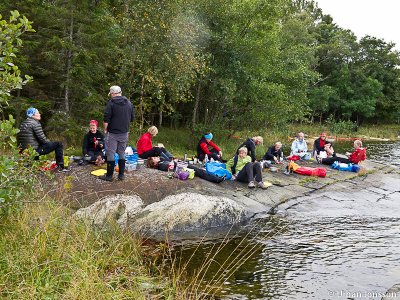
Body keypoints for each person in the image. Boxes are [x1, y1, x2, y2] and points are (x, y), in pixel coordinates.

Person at [17, 107, 69, 172]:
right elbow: (43, 139)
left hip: (23, 152)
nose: (39, 114)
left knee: (38, 148)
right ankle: (60, 166)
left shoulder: (23, 124)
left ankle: (29, 165)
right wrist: (51, 144)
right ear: (33, 115)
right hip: (33, 152)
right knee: (58, 144)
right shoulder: (35, 123)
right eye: (38, 113)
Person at [100, 85, 135, 181]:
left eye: (110, 94)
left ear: (112, 93)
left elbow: (106, 119)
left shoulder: (111, 103)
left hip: (113, 134)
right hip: (124, 133)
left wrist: (105, 130)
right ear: (120, 93)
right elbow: (132, 118)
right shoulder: (129, 103)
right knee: (122, 153)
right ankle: (121, 175)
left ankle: (109, 176)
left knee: (110, 153)